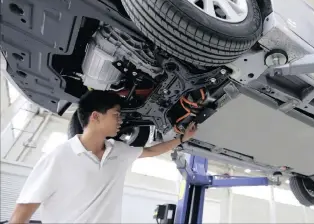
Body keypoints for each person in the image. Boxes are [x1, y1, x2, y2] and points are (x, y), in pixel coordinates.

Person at [9, 90, 197, 223]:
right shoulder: (58, 157)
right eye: (116, 114)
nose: (120, 120)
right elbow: (21, 213)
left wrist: (182, 138)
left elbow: (152, 151)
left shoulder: (118, 151)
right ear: (95, 117)